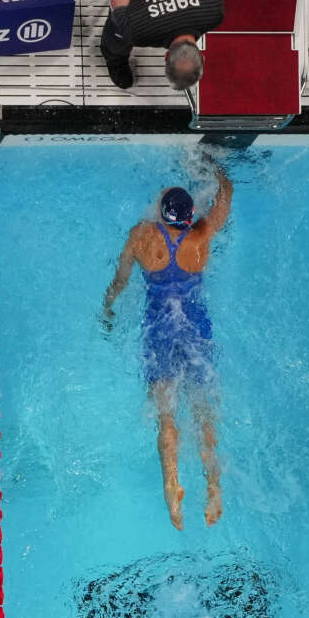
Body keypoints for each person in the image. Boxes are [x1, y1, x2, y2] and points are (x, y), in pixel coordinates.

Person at [102, 164, 233, 530]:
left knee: (166, 414)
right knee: (203, 410)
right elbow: (225, 201)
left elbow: (121, 279)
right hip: (194, 325)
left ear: (161, 213)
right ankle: (214, 488)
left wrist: (108, 306)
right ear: (190, 217)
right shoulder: (201, 237)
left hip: (160, 326)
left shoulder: (142, 235)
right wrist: (217, 169)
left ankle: (172, 487)